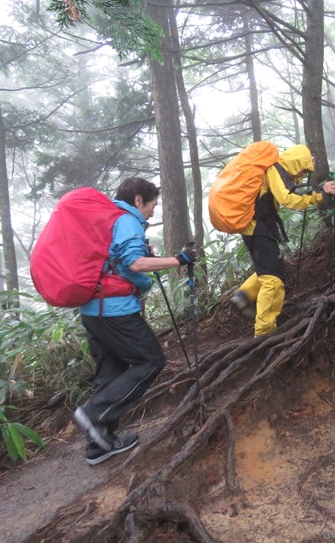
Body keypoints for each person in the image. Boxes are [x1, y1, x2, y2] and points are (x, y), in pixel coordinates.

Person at [73, 177, 196, 465]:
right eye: (152, 205)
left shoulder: (109, 219)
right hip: (115, 311)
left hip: (93, 311)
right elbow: (134, 263)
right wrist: (179, 259)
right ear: (139, 200)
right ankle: (93, 413)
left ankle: (98, 445)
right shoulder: (126, 219)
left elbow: (120, 261)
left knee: (110, 374)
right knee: (150, 361)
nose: (153, 212)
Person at [229, 145, 335, 336]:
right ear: (297, 163)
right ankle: (264, 332)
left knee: (272, 268)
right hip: (258, 228)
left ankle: (243, 296)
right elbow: (287, 197)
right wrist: (319, 194)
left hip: (256, 228)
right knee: (273, 279)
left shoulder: (277, 171)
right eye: (303, 171)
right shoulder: (274, 169)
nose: (303, 176)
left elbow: (290, 190)